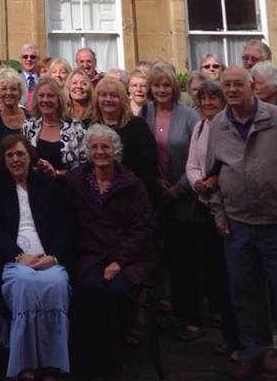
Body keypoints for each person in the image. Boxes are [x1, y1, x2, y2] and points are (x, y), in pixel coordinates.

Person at [205, 66, 277, 381]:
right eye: (226, 85)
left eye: (238, 84)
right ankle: (253, 354)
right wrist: (219, 214)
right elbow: (212, 175)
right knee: (245, 297)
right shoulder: (218, 125)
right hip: (238, 225)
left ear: (251, 85)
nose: (231, 90)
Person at [0, 135, 75, 381]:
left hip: (47, 257)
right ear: (3, 160)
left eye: (20, 154)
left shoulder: (46, 185)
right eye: (10, 155)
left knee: (56, 284)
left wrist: (53, 257)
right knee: (25, 286)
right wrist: (17, 255)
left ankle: (52, 366)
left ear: (30, 157)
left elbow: (65, 225)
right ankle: (26, 366)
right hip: (14, 261)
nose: (15, 159)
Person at [66, 125, 157, 378]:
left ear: (115, 150)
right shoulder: (76, 180)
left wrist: (119, 260)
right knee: (90, 289)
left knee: (118, 290)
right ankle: (90, 357)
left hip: (128, 257)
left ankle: (116, 358)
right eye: (94, 147)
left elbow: (143, 227)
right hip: (90, 255)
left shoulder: (132, 184)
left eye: (105, 146)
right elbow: (67, 221)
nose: (100, 151)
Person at [142, 67, 203, 341]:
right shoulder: (145, 113)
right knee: (159, 259)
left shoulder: (189, 115)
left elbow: (197, 156)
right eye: (157, 86)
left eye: (166, 85)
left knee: (186, 259)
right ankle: (164, 312)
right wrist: (156, 183)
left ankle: (191, 317)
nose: (162, 90)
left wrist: (177, 188)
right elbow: (142, 151)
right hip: (155, 195)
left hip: (185, 196)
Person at [185, 80, 239, 357]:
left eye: (213, 100)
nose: (207, 105)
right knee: (215, 274)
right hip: (204, 206)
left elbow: (229, 162)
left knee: (235, 277)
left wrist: (212, 180)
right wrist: (198, 182)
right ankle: (230, 337)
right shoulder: (200, 126)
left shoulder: (228, 126)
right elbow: (192, 162)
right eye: (203, 100)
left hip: (228, 208)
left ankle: (241, 340)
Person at [90, 75, 157, 205]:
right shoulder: (88, 126)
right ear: (97, 99)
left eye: (114, 96)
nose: (108, 99)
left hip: (132, 197)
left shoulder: (137, 126)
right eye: (103, 95)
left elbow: (149, 165)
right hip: (97, 200)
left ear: (122, 99)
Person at [22, 75, 86, 176]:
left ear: (59, 99)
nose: (45, 100)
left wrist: (56, 173)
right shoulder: (28, 126)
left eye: (50, 96)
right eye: (41, 96)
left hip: (68, 187)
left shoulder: (76, 127)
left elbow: (85, 167)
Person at [0, 67, 27, 140]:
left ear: (20, 92)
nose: (9, 93)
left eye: (13, 89)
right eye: (4, 89)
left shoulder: (31, 118)